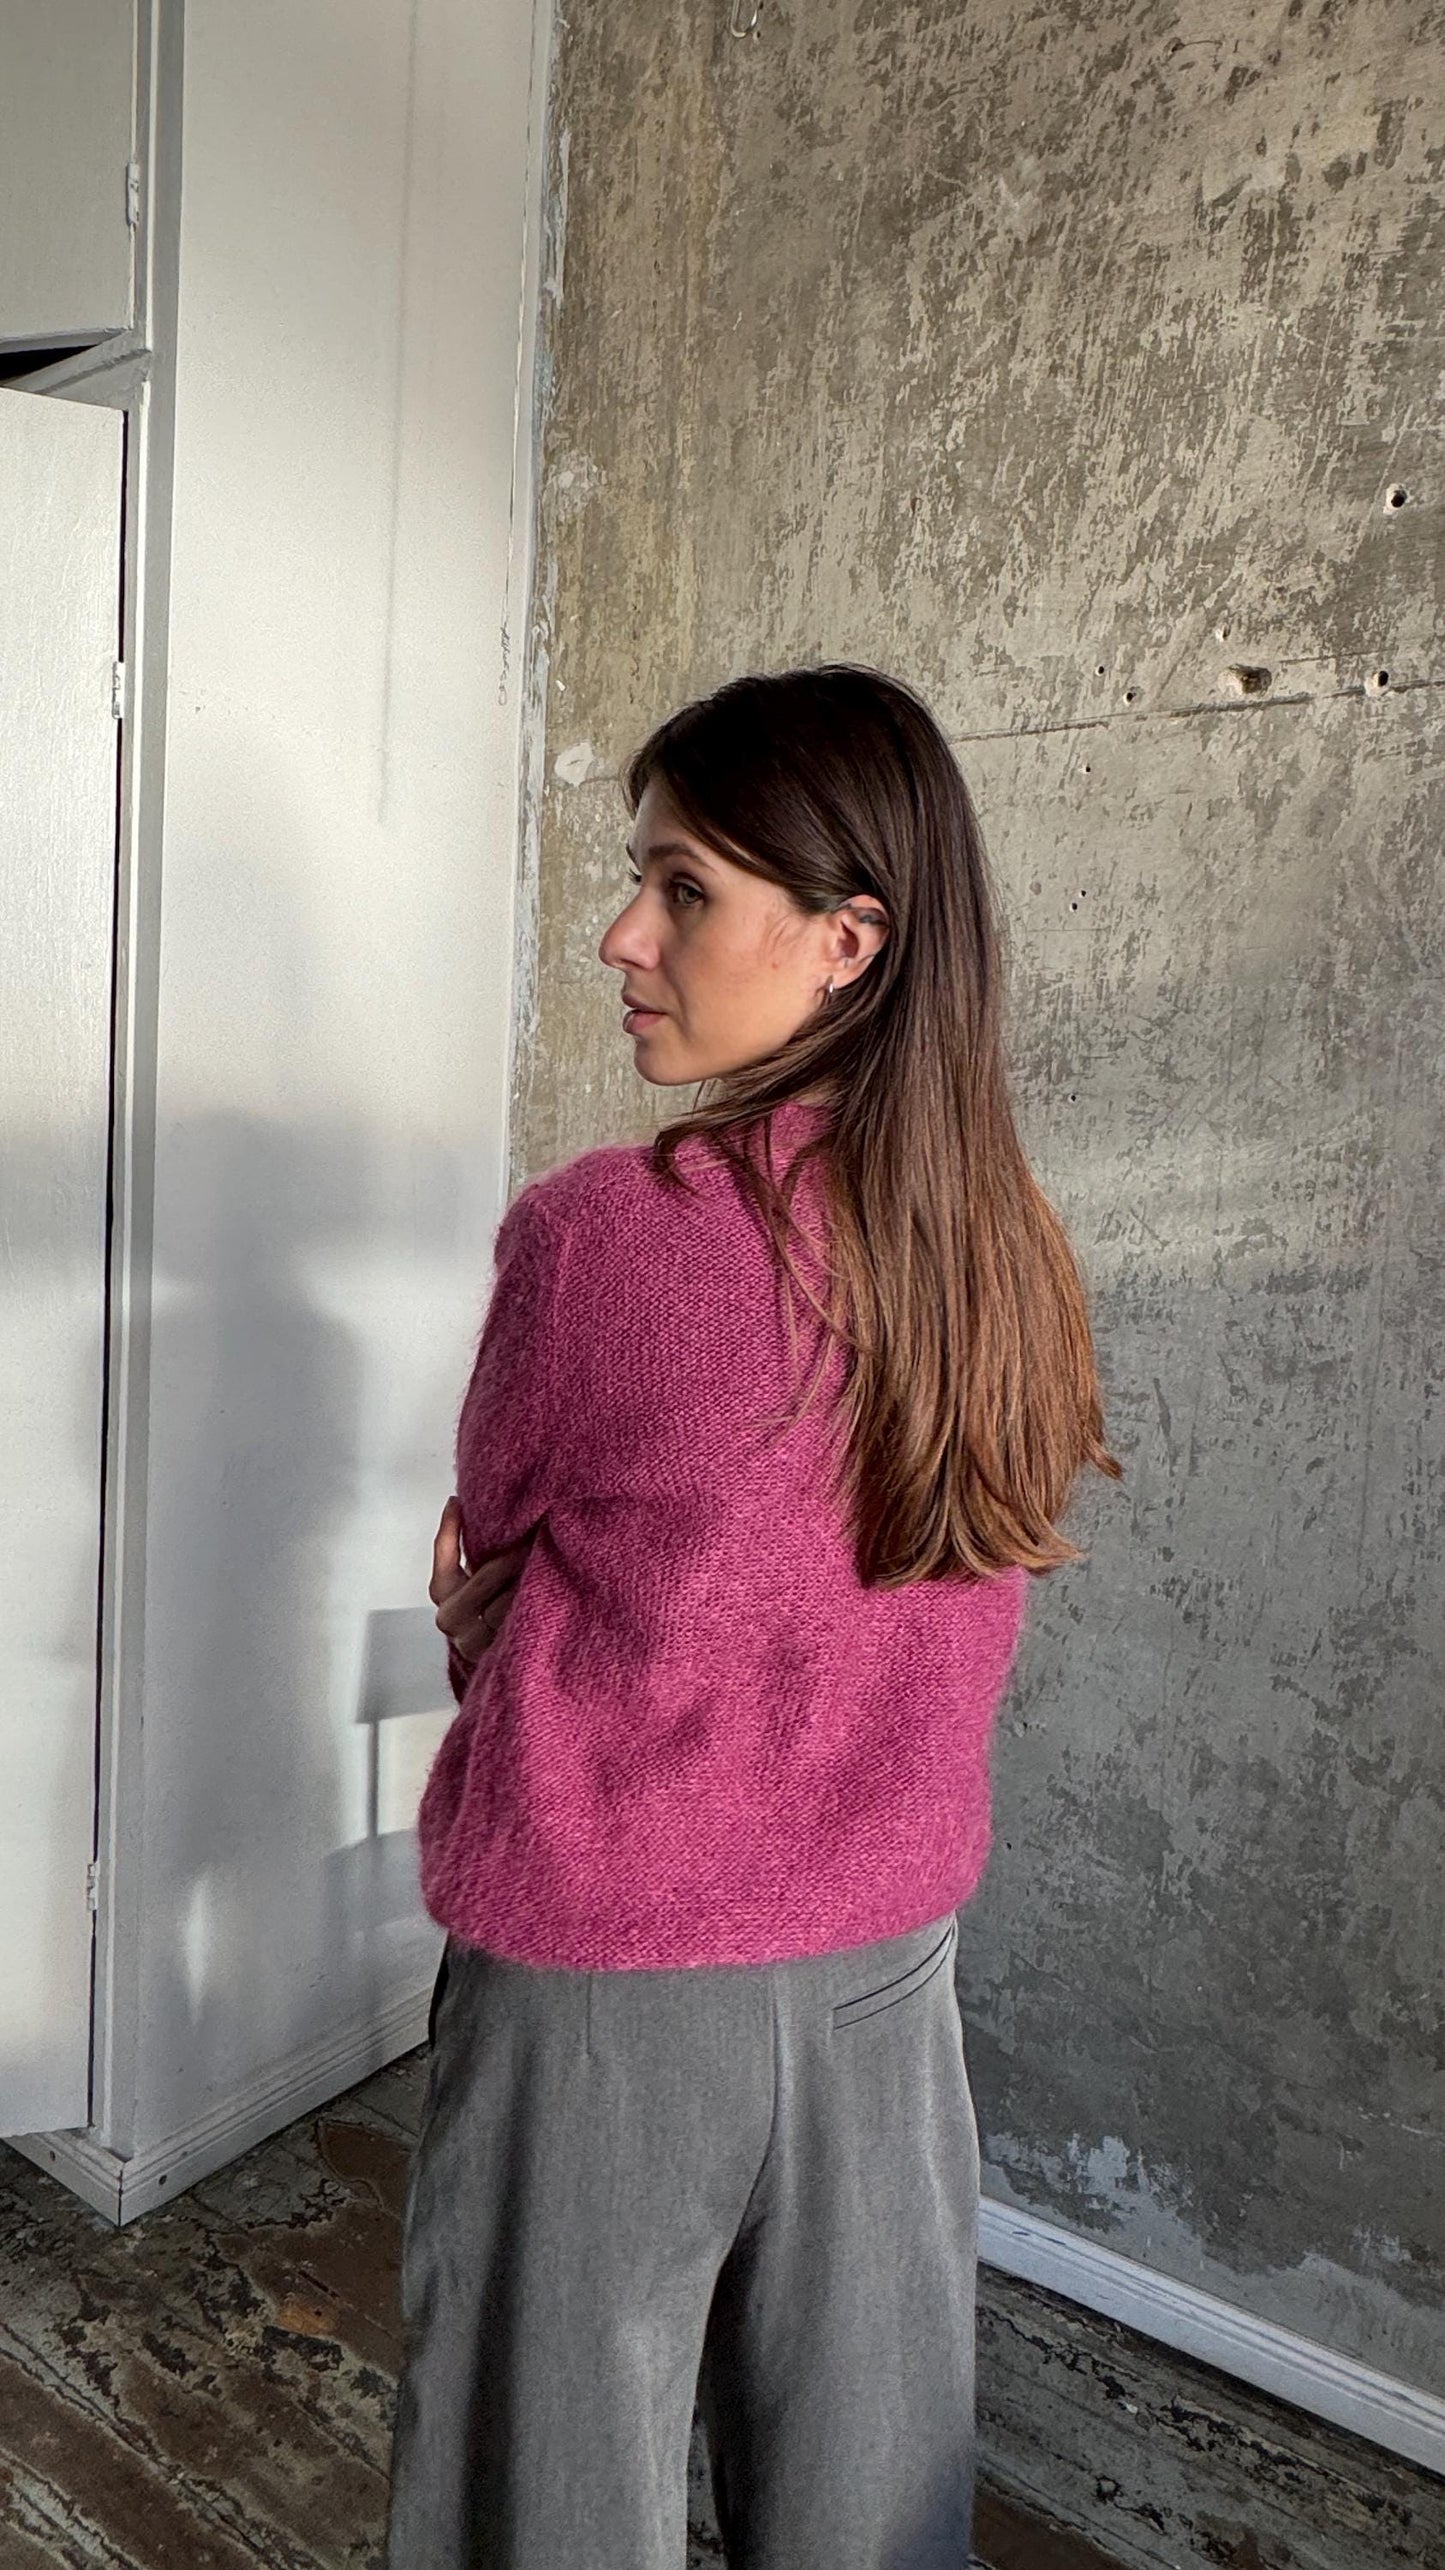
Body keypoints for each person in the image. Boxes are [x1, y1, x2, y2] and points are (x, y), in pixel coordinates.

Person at [385, 664, 1121, 2570]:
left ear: (844, 941)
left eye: (682, 889)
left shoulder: (604, 1235)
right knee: (869, 2505)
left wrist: (489, 1616)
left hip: (609, 1971)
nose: (622, 937)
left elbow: (497, 1540)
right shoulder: (1000, 1237)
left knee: (535, 2498)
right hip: (886, 1963)